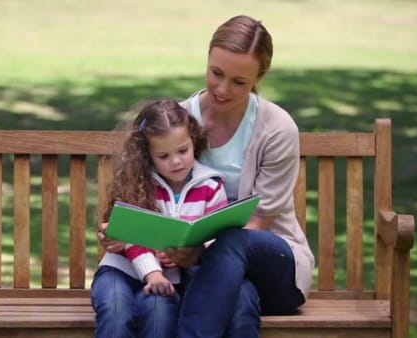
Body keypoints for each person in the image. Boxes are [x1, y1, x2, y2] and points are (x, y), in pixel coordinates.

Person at [99, 14, 315, 337]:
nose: (222, 89)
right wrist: (125, 232)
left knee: (232, 241)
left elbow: (257, 222)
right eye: (216, 73)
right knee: (240, 300)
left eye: (239, 82)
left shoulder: (277, 129)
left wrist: (200, 252)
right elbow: (145, 193)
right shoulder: (178, 125)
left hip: (272, 265)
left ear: (260, 76)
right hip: (200, 277)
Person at [91, 98, 229, 338]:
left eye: (183, 151)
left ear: (193, 141)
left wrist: (195, 251)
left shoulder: (211, 187)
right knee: (116, 312)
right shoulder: (139, 184)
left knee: (159, 315)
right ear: (148, 155)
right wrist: (151, 272)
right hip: (120, 271)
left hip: (168, 280)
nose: (176, 161)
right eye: (163, 156)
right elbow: (131, 236)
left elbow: (216, 237)